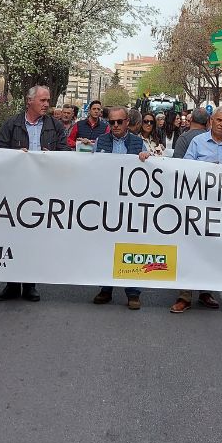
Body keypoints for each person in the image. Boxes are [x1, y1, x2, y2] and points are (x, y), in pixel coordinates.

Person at [0, 85, 69, 303]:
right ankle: (12, 285)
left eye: (48, 100)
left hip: (43, 190)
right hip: (16, 190)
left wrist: (51, 157)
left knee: (35, 237)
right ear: (29, 101)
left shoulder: (55, 126)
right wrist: (15, 155)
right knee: (13, 236)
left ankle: (31, 284)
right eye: (43, 100)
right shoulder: (12, 124)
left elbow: (67, 154)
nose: (46, 104)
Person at [171, 107, 222, 313]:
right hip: (197, 205)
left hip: (221, 207)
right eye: (218, 120)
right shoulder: (197, 142)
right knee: (191, 248)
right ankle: (184, 296)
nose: (221, 124)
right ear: (211, 120)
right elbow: (185, 168)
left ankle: (205, 292)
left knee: (212, 251)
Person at [91, 106, 152, 309]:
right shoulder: (100, 141)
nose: (115, 125)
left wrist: (145, 158)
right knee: (105, 247)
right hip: (107, 203)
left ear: (127, 122)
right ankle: (105, 289)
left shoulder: (138, 142)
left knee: (130, 247)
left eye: (119, 122)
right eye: (111, 122)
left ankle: (133, 292)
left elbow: (147, 169)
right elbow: (90, 168)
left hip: (130, 206)